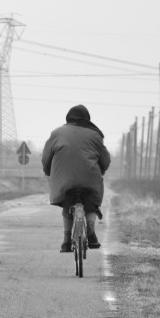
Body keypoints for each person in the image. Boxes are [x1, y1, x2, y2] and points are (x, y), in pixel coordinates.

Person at [41, 104, 110, 252]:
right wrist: (100, 170)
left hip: (64, 180)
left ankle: (66, 241)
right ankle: (91, 230)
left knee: (67, 203)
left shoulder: (57, 133)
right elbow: (105, 160)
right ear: (87, 119)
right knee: (92, 200)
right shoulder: (95, 135)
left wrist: (49, 172)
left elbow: (46, 158)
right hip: (89, 179)